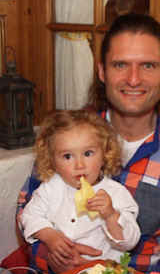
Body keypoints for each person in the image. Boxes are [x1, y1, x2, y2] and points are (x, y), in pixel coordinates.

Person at [17, 13, 160, 274]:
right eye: (120, 65)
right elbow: (27, 208)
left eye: (148, 65)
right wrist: (53, 257)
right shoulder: (69, 134)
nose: (133, 79)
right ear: (102, 70)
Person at [19, 110, 140, 265]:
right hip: (59, 271)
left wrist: (110, 215)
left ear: (104, 155)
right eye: (68, 156)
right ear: (53, 162)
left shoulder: (116, 193)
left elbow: (129, 241)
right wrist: (50, 237)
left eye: (88, 153)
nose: (79, 165)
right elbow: (29, 216)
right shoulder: (50, 187)